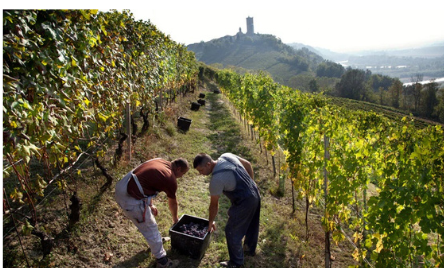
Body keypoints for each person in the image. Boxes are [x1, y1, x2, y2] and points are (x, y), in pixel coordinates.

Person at [115, 157, 189, 268]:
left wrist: (150, 204)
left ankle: (157, 242)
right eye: (182, 174)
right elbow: (173, 202)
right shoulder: (170, 178)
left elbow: (146, 181)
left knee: (150, 223)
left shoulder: (160, 161)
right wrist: (175, 219)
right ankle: (162, 261)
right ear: (178, 169)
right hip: (129, 197)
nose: (181, 177)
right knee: (150, 227)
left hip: (123, 185)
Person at [193, 153, 261, 268]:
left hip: (245, 202)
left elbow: (214, 205)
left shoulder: (216, 180)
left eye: (201, 170)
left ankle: (236, 263)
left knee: (232, 231)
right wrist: (250, 185)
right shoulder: (226, 156)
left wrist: (210, 223)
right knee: (252, 223)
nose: (201, 174)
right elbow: (248, 164)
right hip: (255, 193)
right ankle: (249, 249)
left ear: (208, 164)